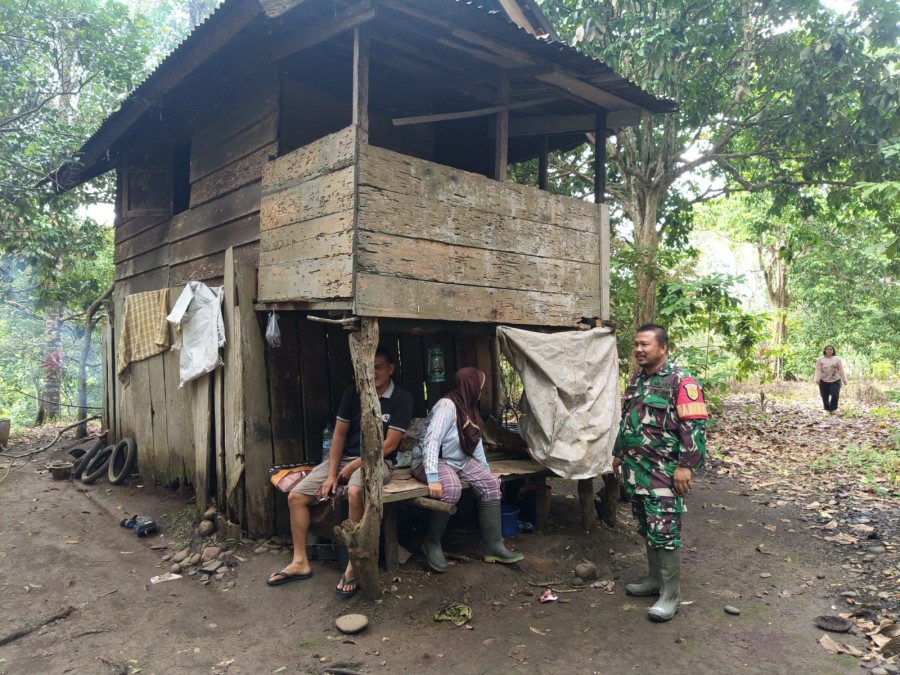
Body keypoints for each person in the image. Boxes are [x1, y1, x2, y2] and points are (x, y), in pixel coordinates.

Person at [266, 347, 413, 597]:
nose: (373, 373)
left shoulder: (402, 398)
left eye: (378, 367)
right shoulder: (353, 393)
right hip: (344, 457)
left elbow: (389, 445)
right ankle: (300, 561)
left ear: (391, 368)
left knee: (355, 492)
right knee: (296, 497)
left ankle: (352, 565)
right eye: (368, 368)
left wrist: (355, 465)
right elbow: (339, 434)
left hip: (379, 462)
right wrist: (332, 474)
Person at [612, 324, 707, 622]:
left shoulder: (682, 381)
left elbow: (694, 426)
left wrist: (686, 465)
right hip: (637, 470)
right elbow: (629, 419)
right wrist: (618, 452)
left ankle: (670, 595)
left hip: (665, 472)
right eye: (636, 344)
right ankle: (654, 580)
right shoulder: (637, 380)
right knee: (647, 526)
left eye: (645, 344)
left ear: (663, 348)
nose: (638, 349)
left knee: (665, 531)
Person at [411, 367, 523, 572]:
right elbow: (432, 440)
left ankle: (494, 546)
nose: (481, 390)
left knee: (491, 484)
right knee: (451, 488)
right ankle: (432, 542)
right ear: (470, 386)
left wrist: (486, 471)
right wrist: (433, 477)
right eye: (479, 386)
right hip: (430, 460)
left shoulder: (470, 408)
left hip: (458, 460)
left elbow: (475, 442)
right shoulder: (446, 406)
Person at [814, 345, 847, 412]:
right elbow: (818, 370)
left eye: (831, 349)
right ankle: (827, 408)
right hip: (823, 380)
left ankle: (833, 409)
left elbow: (841, 370)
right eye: (827, 349)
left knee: (835, 394)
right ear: (825, 350)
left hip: (836, 380)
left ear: (833, 351)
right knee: (824, 396)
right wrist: (817, 379)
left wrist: (844, 379)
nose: (829, 351)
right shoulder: (820, 360)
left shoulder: (837, 359)